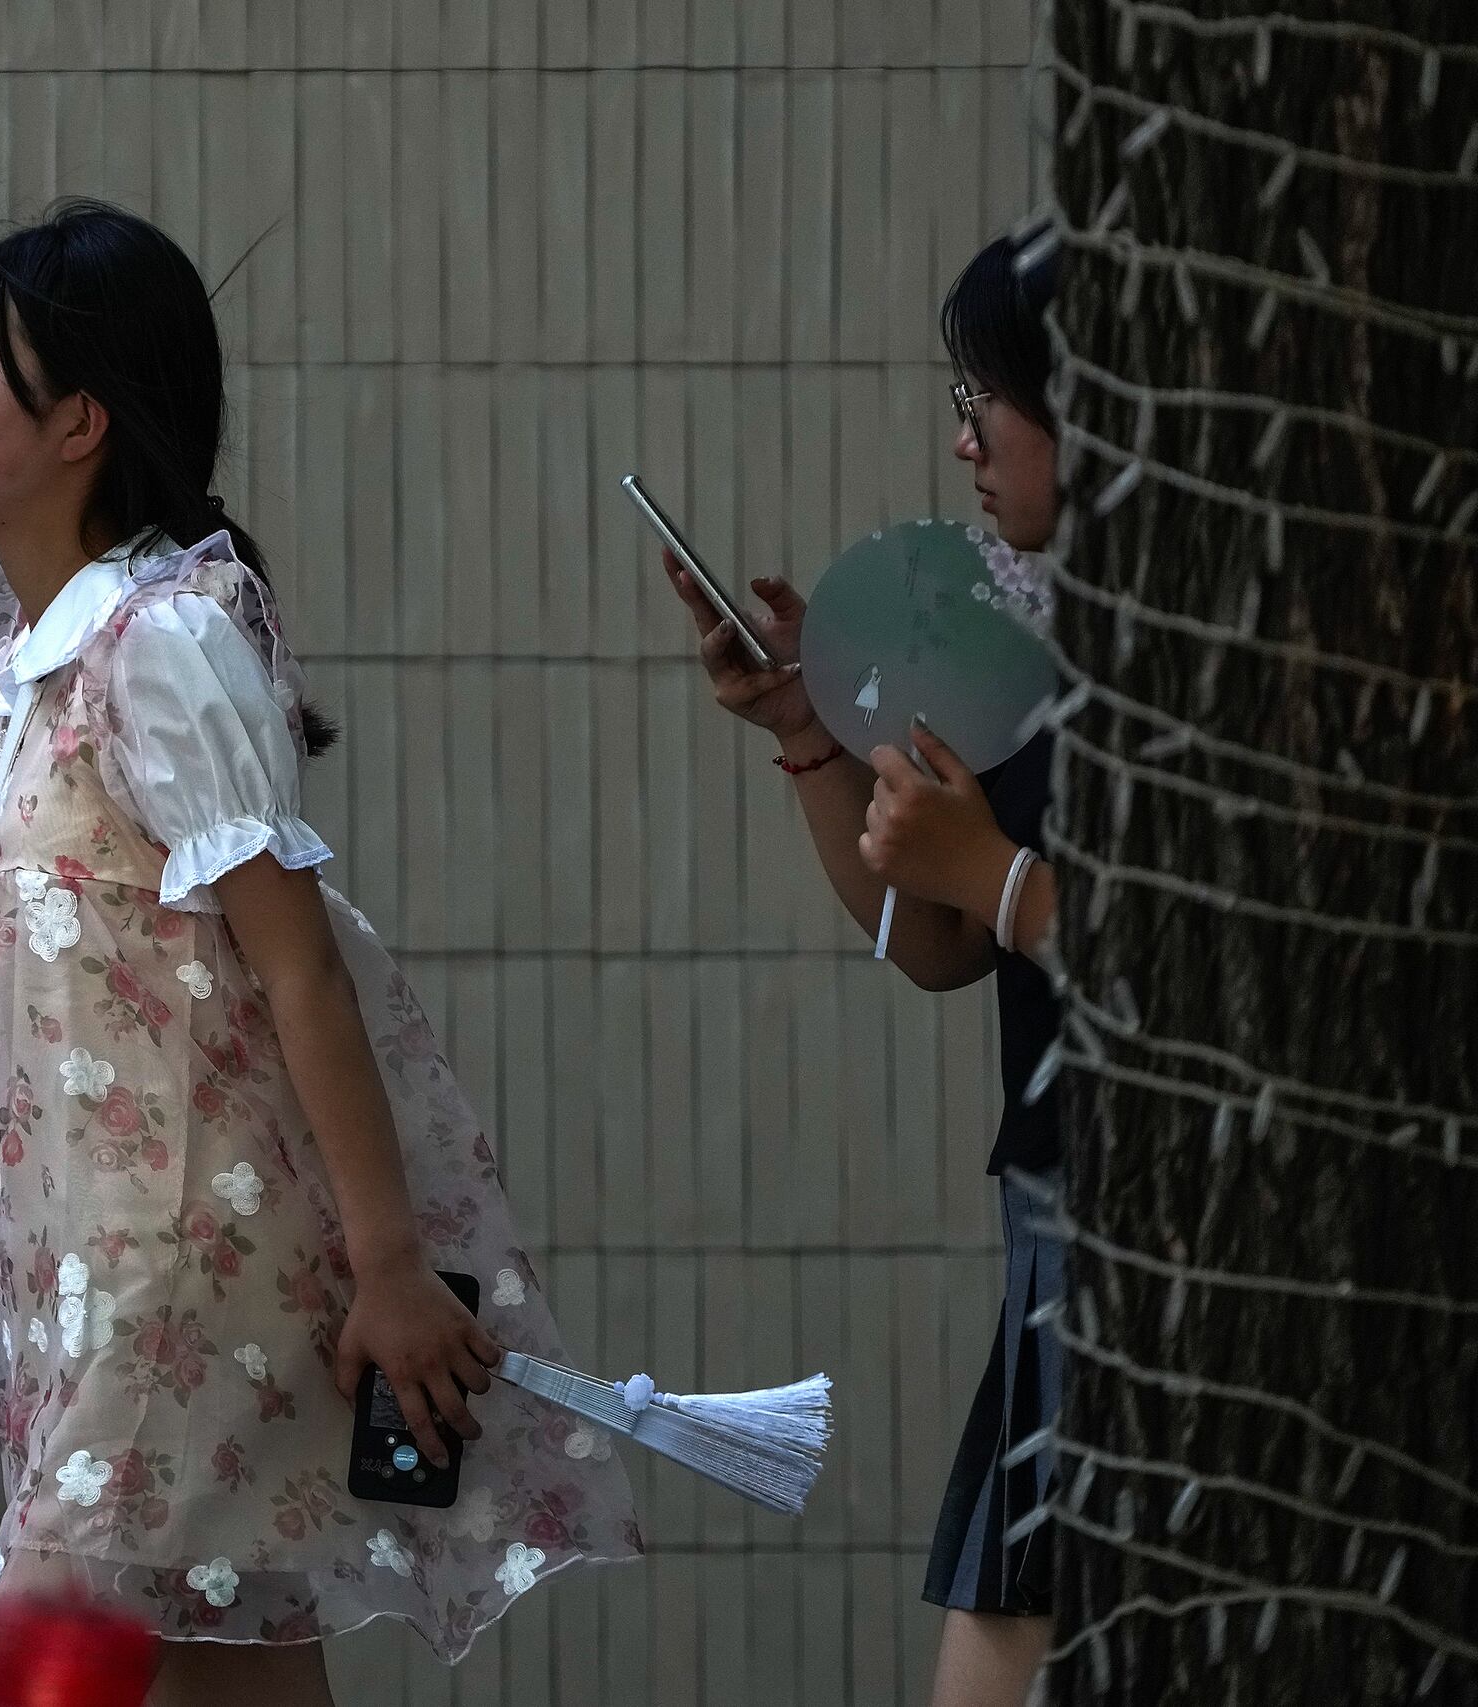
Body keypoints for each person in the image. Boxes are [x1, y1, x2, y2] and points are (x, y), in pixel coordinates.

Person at [0, 200, 641, 1706]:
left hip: (174, 1291)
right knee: (245, 1676)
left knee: (43, 1667)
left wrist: (386, 1266)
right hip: (100, 1282)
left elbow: (300, 968)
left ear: (79, 423)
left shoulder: (163, 642)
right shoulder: (21, 668)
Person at [671, 228, 1064, 1707]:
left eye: (988, 399)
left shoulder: (1215, 664)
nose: (965, 441)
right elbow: (939, 945)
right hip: (1058, 1209)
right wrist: (808, 735)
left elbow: (1226, 976)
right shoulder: (1035, 634)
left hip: (1174, 1236)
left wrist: (1003, 876)